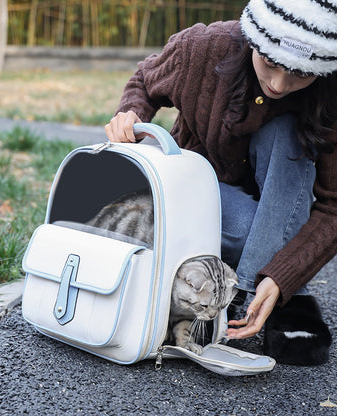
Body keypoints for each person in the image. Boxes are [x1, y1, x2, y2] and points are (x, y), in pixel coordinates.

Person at [105, 0, 336, 365]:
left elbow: (333, 206)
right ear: (254, 41)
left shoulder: (330, 90)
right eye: (270, 64)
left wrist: (278, 278)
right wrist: (130, 112)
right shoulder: (203, 48)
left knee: (287, 131)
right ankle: (268, 297)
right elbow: (145, 81)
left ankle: (255, 292)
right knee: (252, 230)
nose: (278, 84)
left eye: (299, 75)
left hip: (279, 207)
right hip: (200, 190)